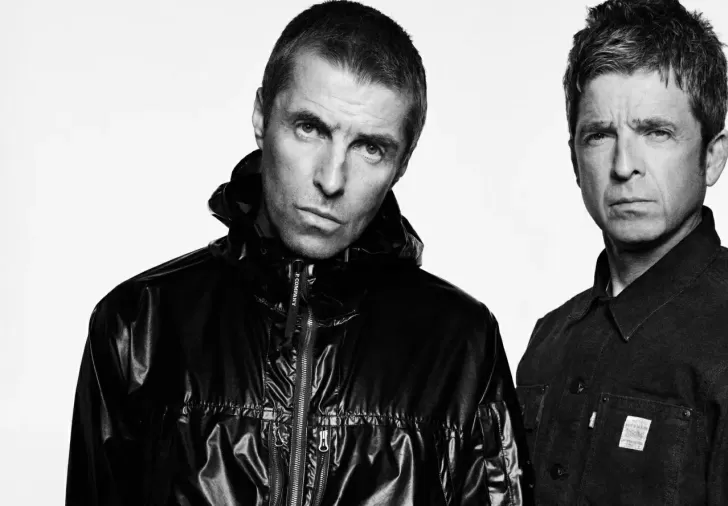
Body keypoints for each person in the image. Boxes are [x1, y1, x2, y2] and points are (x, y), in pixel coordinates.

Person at [66, 2, 532, 505]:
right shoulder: (139, 327)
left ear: (402, 164)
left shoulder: (463, 345)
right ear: (261, 116)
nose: (331, 180)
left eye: (371, 148)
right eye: (310, 128)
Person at [515, 0, 728, 504]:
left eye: (657, 132)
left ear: (712, 157)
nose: (624, 166)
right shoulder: (549, 340)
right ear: (574, 159)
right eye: (600, 135)